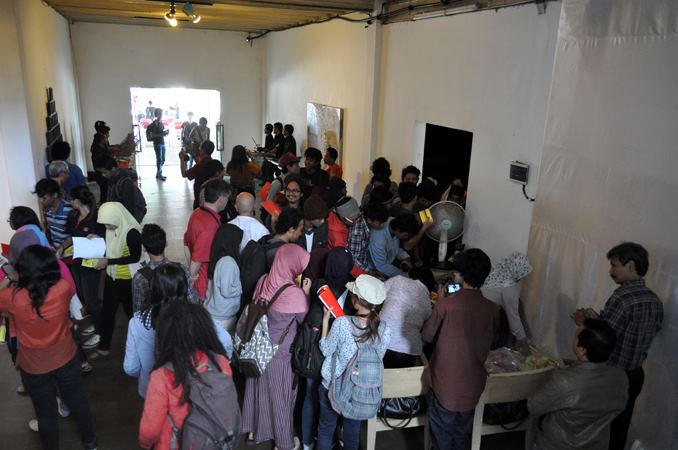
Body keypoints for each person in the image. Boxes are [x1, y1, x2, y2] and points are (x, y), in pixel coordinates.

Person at [0, 245, 97, 450]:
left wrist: (9, 278)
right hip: (66, 356)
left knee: (45, 413)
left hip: (34, 365)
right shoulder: (63, 288)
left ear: (23, 270)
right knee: (78, 401)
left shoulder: (13, 297)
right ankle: (90, 442)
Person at [571, 242, 663, 450]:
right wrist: (598, 320)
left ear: (630, 265)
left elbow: (602, 339)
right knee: (620, 427)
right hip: (635, 374)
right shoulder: (654, 300)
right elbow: (631, 331)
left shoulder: (622, 297)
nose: (610, 271)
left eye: (614, 265)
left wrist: (583, 322)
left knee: (596, 427)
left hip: (611, 374)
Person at [422, 248, 500, 450]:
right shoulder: (493, 309)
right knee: (461, 434)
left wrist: (439, 304)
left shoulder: (445, 306)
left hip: (445, 385)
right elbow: (491, 342)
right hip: (472, 386)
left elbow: (427, 336)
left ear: (461, 275)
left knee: (442, 437)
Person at [125, 263, 232, 398]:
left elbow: (131, 368)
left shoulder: (137, 322)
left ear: (153, 290)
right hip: (191, 390)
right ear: (184, 288)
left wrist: (146, 373)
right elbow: (226, 342)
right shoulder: (198, 316)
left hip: (153, 390)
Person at [241, 244, 311, 450]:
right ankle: (283, 443)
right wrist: (305, 293)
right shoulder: (295, 294)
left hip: (259, 348)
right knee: (280, 398)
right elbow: (304, 320)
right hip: (281, 353)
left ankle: (255, 431)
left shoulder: (263, 280)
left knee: (260, 390)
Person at [138, 301, 234, 449]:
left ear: (166, 336)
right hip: (215, 441)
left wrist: (145, 444)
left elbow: (150, 431)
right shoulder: (220, 361)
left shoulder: (162, 376)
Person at [528, 319, 628, 450]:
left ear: (581, 350)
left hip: (559, 445)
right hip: (596, 444)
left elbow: (533, 406)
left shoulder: (564, 381)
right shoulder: (621, 376)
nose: (573, 338)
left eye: (575, 336)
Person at [317, 274, 391, 450]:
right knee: (352, 434)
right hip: (361, 392)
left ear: (356, 301)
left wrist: (325, 321)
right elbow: (379, 356)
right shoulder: (384, 329)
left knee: (326, 429)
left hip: (333, 386)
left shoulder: (342, 323)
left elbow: (326, 349)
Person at [299, 247, 354, 450]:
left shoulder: (319, 286)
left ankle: (306, 442)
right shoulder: (351, 294)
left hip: (312, 352)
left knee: (309, 396)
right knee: (332, 402)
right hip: (335, 359)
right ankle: (330, 439)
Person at [93, 202, 142, 359]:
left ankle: (142, 346)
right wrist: (96, 239)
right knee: (107, 312)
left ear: (117, 217)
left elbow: (135, 257)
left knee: (132, 313)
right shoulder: (110, 229)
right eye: (104, 223)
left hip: (128, 280)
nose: (107, 226)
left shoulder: (131, 233)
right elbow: (109, 246)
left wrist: (109, 261)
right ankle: (104, 347)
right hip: (112, 277)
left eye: (109, 223)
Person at [64, 186, 106, 333]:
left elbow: (105, 239)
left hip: (91, 263)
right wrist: (62, 247)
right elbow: (71, 236)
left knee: (90, 299)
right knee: (82, 295)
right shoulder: (73, 215)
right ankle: (94, 324)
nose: (70, 202)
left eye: (71, 199)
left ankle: (100, 331)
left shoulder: (96, 217)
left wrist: (97, 237)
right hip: (75, 261)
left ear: (77, 201)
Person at [132, 224, 197, 313]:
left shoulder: (139, 277)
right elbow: (193, 301)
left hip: (155, 319)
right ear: (166, 243)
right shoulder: (182, 269)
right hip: (180, 317)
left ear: (144, 248)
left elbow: (138, 310)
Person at [184, 179, 230, 301]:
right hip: (204, 286)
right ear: (221, 199)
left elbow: (186, 243)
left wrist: (190, 270)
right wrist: (192, 277)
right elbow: (197, 260)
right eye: (227, 198)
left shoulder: (197, 213)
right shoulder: (209, 227)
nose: (227, 201)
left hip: (199, 280)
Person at [380, 267, 434, 368]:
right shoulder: (427, 302)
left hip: (382, 340)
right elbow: (427, 329)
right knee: (401, 376)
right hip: (408, 348)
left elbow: (376, 294)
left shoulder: (397, 279)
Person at [481, 253, 533, 349]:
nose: (521, 278)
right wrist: (523, 340)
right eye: (522, 274)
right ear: (517, 271)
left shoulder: (494, 272)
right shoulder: (508, 286)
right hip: (486, 324)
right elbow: (514, 318)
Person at [206, 224, 243, 334]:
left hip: (215, 313)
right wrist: (240, 288)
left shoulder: (218, 257)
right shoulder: (228, 262)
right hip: (223, 317)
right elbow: (226, 291)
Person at [367, 213, 419, 278]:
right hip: (376, 268)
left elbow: (395, 247)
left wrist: (406, 258)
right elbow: (382, 266)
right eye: (406, 235)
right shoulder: (378, 240)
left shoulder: (394, 222)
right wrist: (405, 276)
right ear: (398, 230)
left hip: (389, 261)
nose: (406, 238)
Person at [94, 156, 145, 220]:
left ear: (113, 169)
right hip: (119, 214)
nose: (103, 175)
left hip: (130, 218)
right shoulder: (112, 178)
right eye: (101, 173)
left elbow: (130, 207)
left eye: (105, 172)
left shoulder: (125, 182)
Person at [34, 178, 73, 249]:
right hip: (54, 248)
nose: (41, 201)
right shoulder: (47, 210)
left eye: (44, 198)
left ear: (55, 195)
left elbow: (75, 235)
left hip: (68, 250)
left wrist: (62, 247)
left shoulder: (69, 210)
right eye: (40, 198)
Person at [348, 202, 383, 275]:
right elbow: (353, 259)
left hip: (365, 263)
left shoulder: (366, 222)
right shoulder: (357, 232)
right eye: (380, 223)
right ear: (369, 220)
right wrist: (368, 271)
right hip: (357, 271)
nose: (382, 225)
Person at [180, 140, 216, 209]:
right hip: (212, 197)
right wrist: (192, 154)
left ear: (203, 150)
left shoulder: (200, 166)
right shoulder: (214, 163)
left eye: (200, 147)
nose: (198, 148)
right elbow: (199, 161)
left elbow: (184, 174)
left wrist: (182, 159)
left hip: (200, 198)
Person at [146, 108, 169, 181]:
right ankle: (159, 174)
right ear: (156, 114)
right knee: (159, 159)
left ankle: (158, 173)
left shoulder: (161, 123)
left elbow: (162, 132)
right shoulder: (153, 124)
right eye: (159, 113)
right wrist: (162, 134)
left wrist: (166, 132)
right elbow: (151, 135)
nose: (161, 115)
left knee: (163, 159)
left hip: (162, 143)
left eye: (161, 113)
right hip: (157, 143)